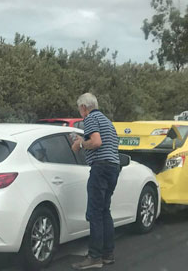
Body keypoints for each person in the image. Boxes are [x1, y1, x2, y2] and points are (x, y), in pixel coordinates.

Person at [71, 93, 120, 270]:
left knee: (94, 213)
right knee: (104, 211)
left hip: (100, 168)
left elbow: (96, 142)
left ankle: (94, 257)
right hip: (113, 167)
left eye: (79, 109)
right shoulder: (107, 121)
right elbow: (110, 144)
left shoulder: (90, 119)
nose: (80, 112)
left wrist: (80, 145)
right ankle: (108, 254)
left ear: (84, 107)